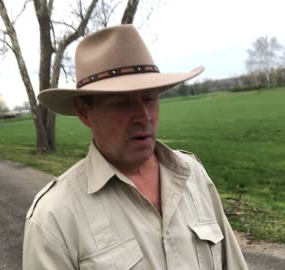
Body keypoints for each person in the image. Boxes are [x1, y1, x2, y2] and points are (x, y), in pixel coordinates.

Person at [23, 24, 248, 270]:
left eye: (149, 98)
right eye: (122, 103)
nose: (144, 116)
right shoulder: (54, 217)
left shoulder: (193, 175)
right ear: (84, 112)